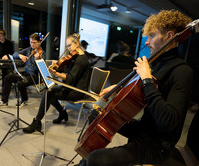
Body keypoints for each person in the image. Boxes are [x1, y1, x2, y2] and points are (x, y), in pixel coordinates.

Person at [77, 10, 193, 166]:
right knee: (96, 115)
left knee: (96, 159)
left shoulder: (182, 71)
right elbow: (140, 94)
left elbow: (168, 122)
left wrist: (146, 79)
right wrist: (117, 89)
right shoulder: (159, 64)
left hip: (157, 145)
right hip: (144, 129)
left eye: (152, 35)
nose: (146, 41)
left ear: (169, 36)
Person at [22, 33, 90, 134]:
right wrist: (57, 64)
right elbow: (69, 71)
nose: (68, 48)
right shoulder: (76, 57)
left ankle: (37, 122)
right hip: (71, 87)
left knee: (49, 93)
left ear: (77, 44)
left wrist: (56, 73)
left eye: (69, 45)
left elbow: (70, 78)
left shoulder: (81, 60)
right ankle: (62, 114)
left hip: (77, 91)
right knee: (49, 90)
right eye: (67, 46)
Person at [0, 33, 45, 107]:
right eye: (31, 42)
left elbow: (40, 69)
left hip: (36, 76)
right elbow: (15, 53)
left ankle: (24, 99)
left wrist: (37, 60)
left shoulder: (42, 53)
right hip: (26, 73)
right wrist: (20, 55)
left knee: (21, 83)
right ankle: (4, 101)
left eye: (34, 42)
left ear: (39, 42)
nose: (32, 44)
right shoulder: (28, 50)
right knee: (7, 78)